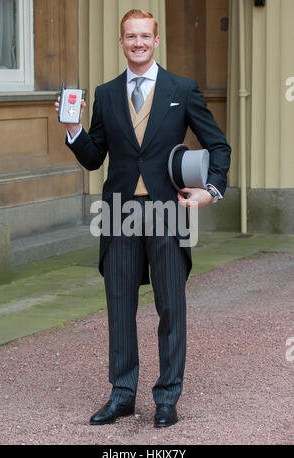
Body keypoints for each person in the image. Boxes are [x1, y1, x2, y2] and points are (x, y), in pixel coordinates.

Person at [55, 9, 231, 428]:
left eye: (145, 36)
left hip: (168, 212)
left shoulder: (182, 89)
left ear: (156, 41)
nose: (137, 43)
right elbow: (97, 157)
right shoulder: (106, 93)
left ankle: (167, 398)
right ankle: (122, 395)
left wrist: (211, 190)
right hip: (118, 214)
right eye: (130, 36)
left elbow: (218, 146)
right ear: (121, 43)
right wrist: (74, 133)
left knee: (171, 307)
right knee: (119, 308)